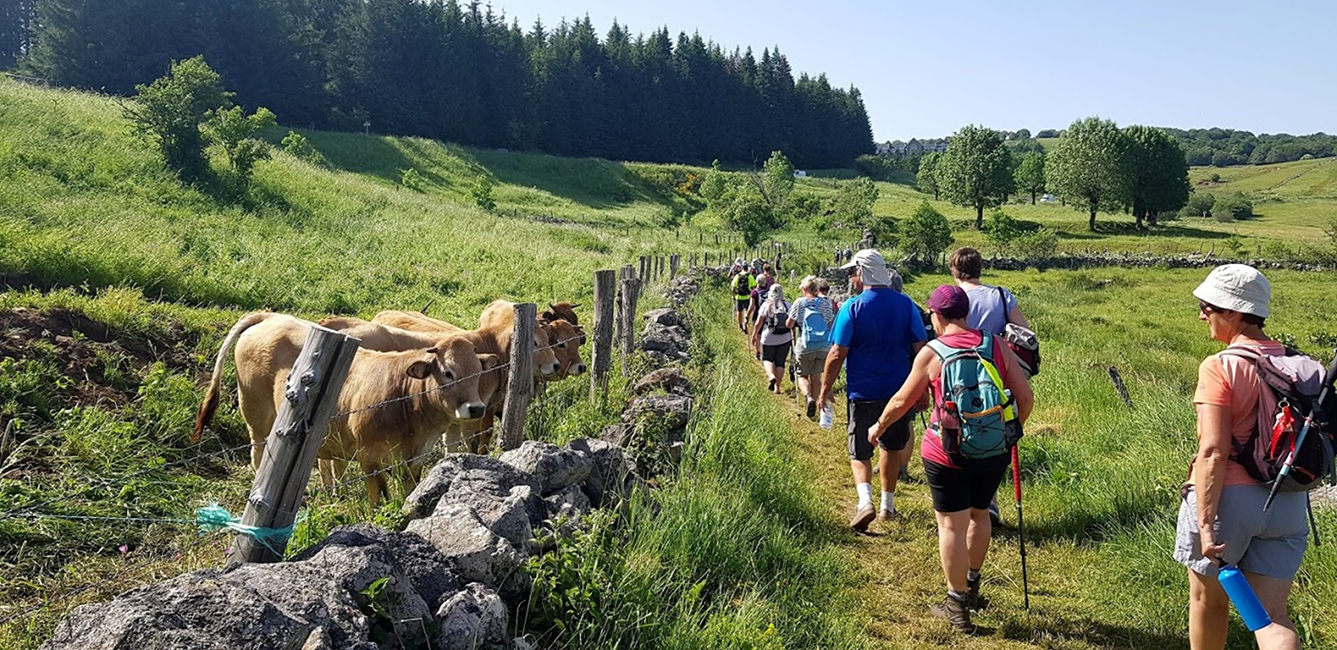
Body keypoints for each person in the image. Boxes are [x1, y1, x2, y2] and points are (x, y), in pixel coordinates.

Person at [868, 284, 1034, 633]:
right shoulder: (996, 345)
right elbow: (1025, 397)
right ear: (966, 314)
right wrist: (1006, 433)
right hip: (993, 450)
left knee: (951, 525)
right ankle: (973, 585)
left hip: (947, 452)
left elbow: (902, 401)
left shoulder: (932, 352)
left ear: (937, 316)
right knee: (979, 515)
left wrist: (879, 426)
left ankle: (956, 606)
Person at [1175, 264, 1306, 650]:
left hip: (1228, 502)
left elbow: (1213, 451)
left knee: (1208, 602)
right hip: (1288, 501)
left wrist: (1207, 524)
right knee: (1269, 619)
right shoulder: (1303, 367)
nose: (1202, 315)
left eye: (1208, 307)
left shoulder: (1220, 366)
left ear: (1233, 313)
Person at [818, 249, 927, 531]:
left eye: (853, 272)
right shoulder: (906, 306)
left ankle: (864, 500)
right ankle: (887, 507)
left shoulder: (852, 307)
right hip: (898, 392)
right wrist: (922, 388)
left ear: (863, 273)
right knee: (891, 446)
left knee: (859, 450)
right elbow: (920, 350)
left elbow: (837, 353)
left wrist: (825, 389)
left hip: (862, 391)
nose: (851, 277)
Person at [950, 246, 1032, 524]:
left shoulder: (955, 298)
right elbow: (1025, 332)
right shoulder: (1001, 295)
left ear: (954, 270)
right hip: (999, 374)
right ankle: (989, 502)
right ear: (980, 268)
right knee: (994, 433)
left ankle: (965, 498)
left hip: (960, 374)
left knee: (961, 429)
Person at [787, 275, 836, 418]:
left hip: (805, 344)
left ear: (805, 288)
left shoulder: (799, 303)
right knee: (816, 376)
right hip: (823, 346)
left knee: (802, 375)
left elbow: (789, 324)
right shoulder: (825, 304)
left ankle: (808, 397)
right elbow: (830, 325)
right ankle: (816, 411)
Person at [752, 284, 793, 393]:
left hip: (768, 337)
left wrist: (754, 334)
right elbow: (792, 322)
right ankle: (778, 388)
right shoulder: (788, 305)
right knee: (780, 362)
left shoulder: (766, 305)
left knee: (767, 359)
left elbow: (758, 323)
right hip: (785, 337)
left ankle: (771, 376)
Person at [730, 263, 756, 333]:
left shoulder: (737, 276)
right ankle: (746, 323)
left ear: (742, 268)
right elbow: (753, 287)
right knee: (747, 311)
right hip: (747, 297)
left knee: (739, 311)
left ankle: (740, 326)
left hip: (739, 297)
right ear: (747, 268)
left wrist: (734, 295)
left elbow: (733, 287)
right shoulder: (750, 276)